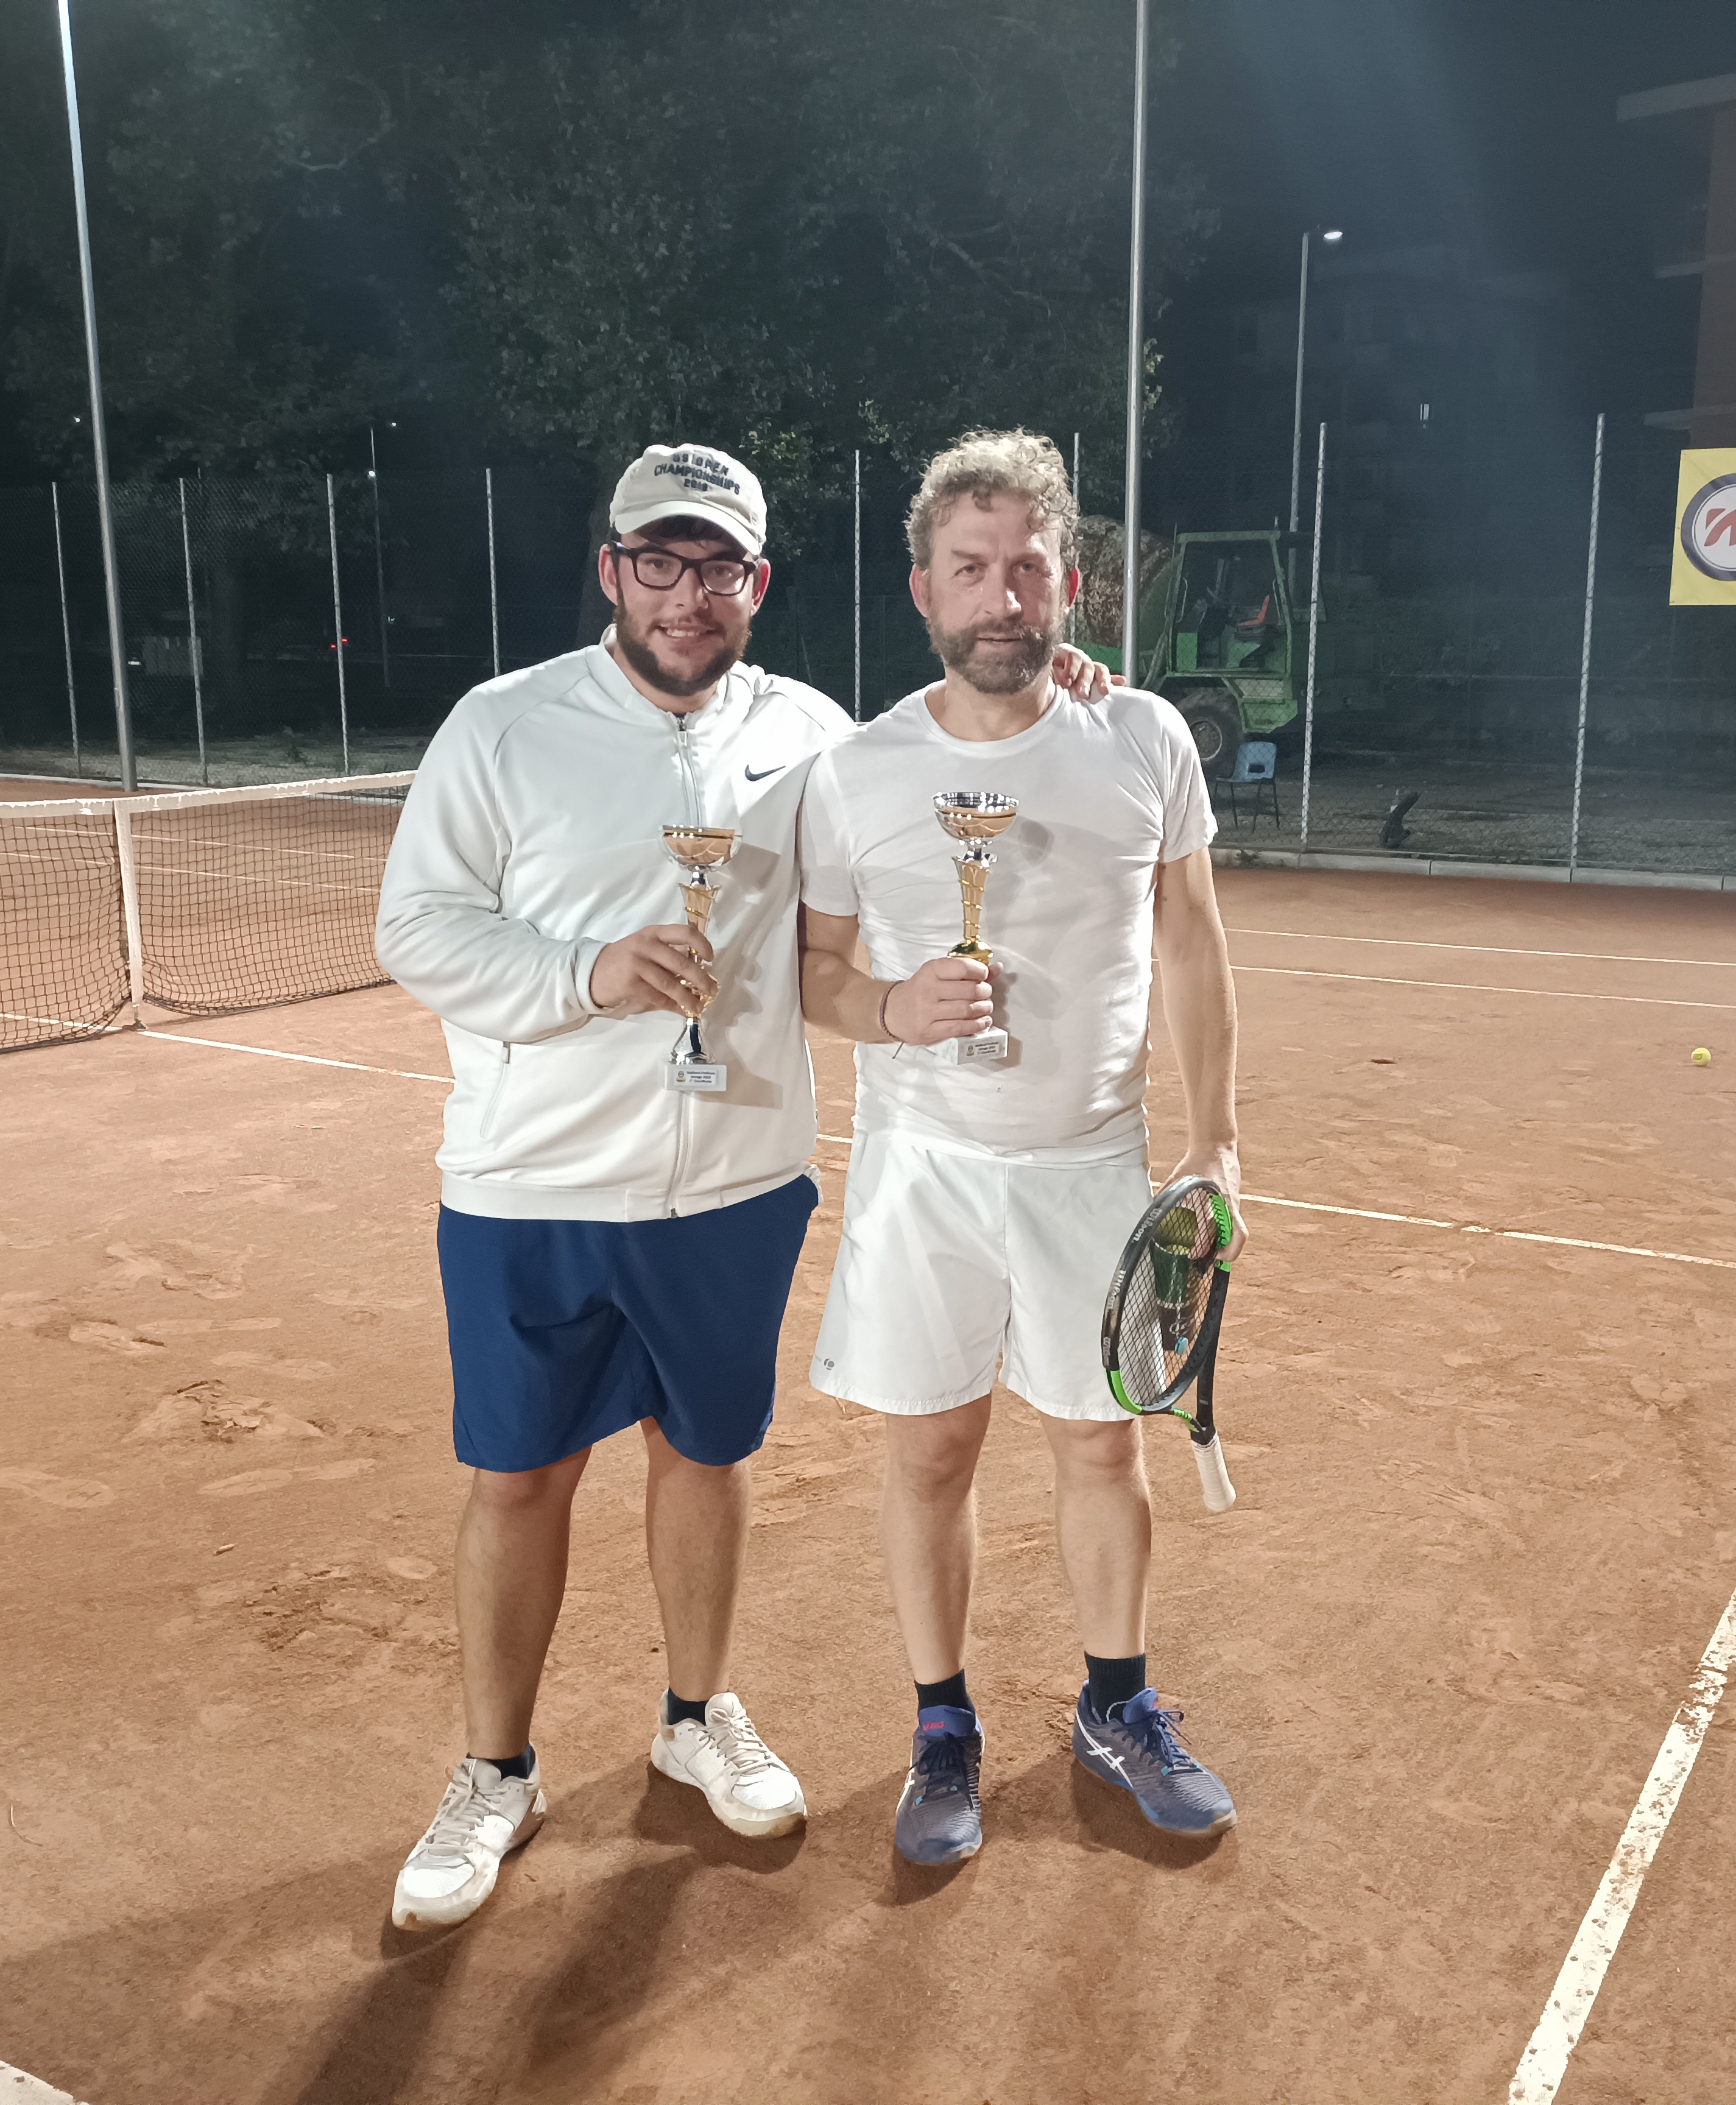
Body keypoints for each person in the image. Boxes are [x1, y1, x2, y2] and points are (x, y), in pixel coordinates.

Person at [373, 441, 1113, 1930]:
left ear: (758, 584)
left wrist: (1052, 689)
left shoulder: (813, 736)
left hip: (734, 1188)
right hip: (530, 1185)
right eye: (661, 560)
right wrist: (585, 972)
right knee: (518, 1476)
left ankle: (694, 1715)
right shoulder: (503, 725)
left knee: (704, 1457)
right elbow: (419, 927)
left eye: (719, 567)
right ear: (613, 570)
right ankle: (494, 1770)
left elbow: (935, 783)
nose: (688, 593)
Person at [797, 428, 1249, 1866]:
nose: (1004, 597)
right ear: (923, 588)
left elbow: (1192, 941)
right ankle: (943, 1729)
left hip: (1091, 1165)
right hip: (922, 1172)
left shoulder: (1144, 736)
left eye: (1029, 569)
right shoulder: (855, 770)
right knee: (932, 1453)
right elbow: (810, 971)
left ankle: (1117, 1705)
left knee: (1101, 1447)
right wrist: (891, 1008)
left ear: (1071, 583)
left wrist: (1217, 1139)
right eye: (972, 568)